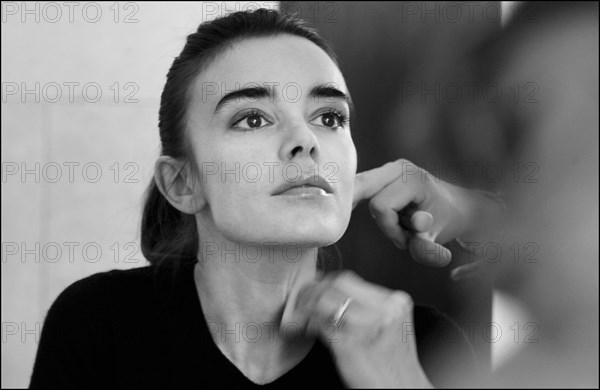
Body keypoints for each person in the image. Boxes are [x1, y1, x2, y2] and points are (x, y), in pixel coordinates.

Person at [29, 9, 504, 388]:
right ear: (182, 184)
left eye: (330, 117)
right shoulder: (98, 327)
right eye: (253, 118)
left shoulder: (424, 345)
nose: (306, 140)